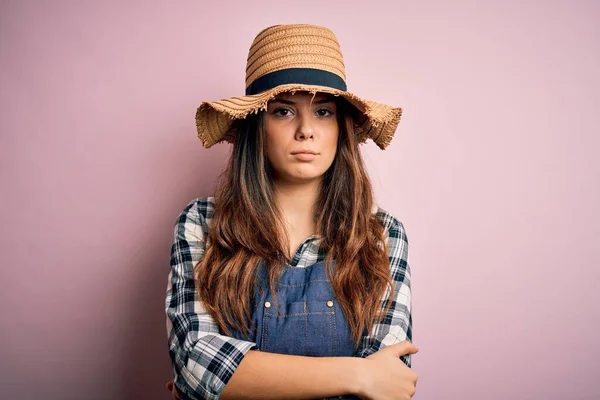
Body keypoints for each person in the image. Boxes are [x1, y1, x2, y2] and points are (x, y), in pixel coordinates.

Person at [165, 23, 418, 400]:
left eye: (323, 112)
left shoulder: (380, 234)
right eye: (283, 111)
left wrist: (243, 381)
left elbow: (390, 380)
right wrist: (358, 374)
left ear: (341, 127)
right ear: (256, 125)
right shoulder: (203, 224)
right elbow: (197, 363)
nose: (306, 130)